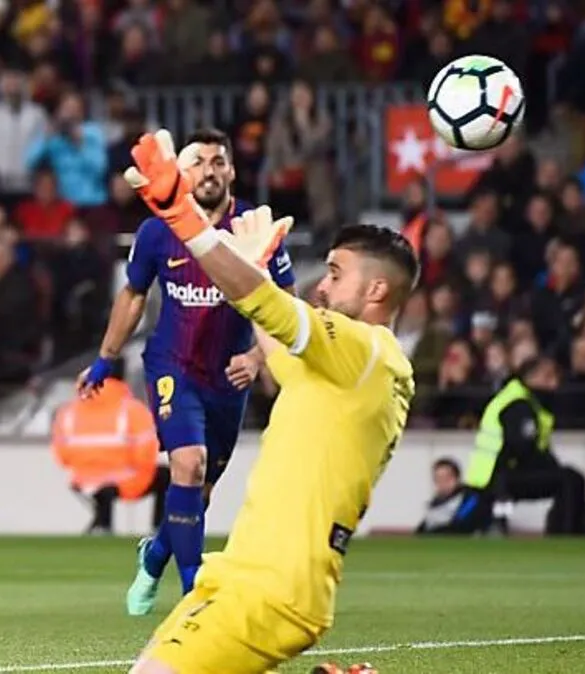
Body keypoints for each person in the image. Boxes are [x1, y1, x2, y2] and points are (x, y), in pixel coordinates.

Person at [121, 130, 418, 674]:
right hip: (241, 574)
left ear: (376, 290)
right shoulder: (340, 368)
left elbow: (272, 310)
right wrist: (252, 269)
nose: (322, 287)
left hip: (274, 588)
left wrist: (182, 215)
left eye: (335, 274)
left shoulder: (367, 350)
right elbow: (273, 334)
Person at [76, 127, 296, 616]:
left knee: (200, 491)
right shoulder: (158, 229)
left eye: (218, 161)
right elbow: (133, 295)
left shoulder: (254, 230)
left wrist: (257, 358)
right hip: (172, 366)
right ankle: (195, 591)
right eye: (197, 162)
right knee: (189, 463)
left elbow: (286, 304)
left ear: (232, 170)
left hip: (228, 378)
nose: (209, 171)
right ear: (180, 170)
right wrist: (105, 359)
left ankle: (155, 556)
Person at [467, 355, 585, 535]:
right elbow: (522, 448)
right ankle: (565, 536)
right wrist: (550, 467)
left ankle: (560, 532)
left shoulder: (520, 399)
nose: (555, 383)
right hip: (498, 477)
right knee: (570, 480)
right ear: (532, 378)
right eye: (549, 376)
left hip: (491, 475)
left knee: (568, 478)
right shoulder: (519, 404)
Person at [52, 361, 168, 535]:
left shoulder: (69, 411)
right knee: (166, 476)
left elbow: (62, 456)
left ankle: (101, 527)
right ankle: (159, 528)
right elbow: (146, 454)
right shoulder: (132, 410)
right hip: (127, 478)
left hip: (82, 478)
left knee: (105, 495)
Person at [415, 458, 482, 535]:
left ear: (457, 478)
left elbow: (461, 526)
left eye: (447, 478)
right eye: (438, 479)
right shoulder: (435, 504)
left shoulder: (470, 500)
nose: (443, 483)